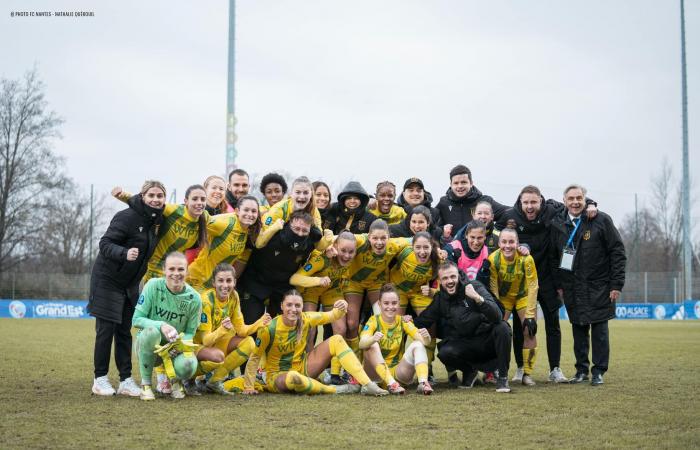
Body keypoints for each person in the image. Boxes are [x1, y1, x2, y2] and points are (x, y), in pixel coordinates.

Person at [495, 185, 598, 384]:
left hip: (548, 277)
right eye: (526, 202)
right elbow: (486, 220)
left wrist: (592, 203)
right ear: (520, 202)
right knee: (520, 326)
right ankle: (520, 368)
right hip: (522, 280)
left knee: (553, 324)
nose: (530, 206)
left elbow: (574, 202)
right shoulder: (510, 215)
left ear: (541, 201)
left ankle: (555, 369)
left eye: (534, 202)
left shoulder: (553, 209)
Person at [89, 180, 166, 397]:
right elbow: (104, 244)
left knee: (125, 331)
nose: (156, 199)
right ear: (142, 196)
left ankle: (125, 380)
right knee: (106, 330)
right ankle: (100, 379)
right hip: (108, 279)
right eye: (151, 195)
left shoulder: (158, 221)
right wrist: (124, 253)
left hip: (130, 284)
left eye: (160, 196)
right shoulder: (126, 217)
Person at [549, 184, 626, 386]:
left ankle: (598, 371)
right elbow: (553, 258)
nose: (575, 202)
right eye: (571, 199)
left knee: (600, 330)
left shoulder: (600, 219)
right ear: (564, 201)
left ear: (585, 200)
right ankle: (581, 370)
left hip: (599, 286)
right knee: (579, 330)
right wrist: (559, 284)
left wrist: (616, 284)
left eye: (579, 198)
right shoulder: (557, 223)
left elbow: (617, 252)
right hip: (572, 287)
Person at [243, 291, 388, 396]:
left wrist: (342, 305)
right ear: (281, 306)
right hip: (277, 377)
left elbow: (332, 315)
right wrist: (248, 386)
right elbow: (255, 357)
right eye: (289, 305)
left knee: (337, 339)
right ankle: (335, 390)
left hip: (304, 367)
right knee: (294, 377)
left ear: (302, 307)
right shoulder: (269, 328)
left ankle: (367, 384)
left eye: (297, 306)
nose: (293, 309)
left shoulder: (306, 318)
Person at [414, 261, 513, 393]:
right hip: (467, 344)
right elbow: (424, 320)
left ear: (459, 276)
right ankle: (470, 371)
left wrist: (477, 298)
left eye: (452, 277)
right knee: (444, 352)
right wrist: (405, 321)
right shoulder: (440, 299)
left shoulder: (475, 287)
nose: (449, 281)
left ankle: (502, 377)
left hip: (489, 342)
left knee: (503, 327)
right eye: (445, 278)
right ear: (440, 281)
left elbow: (497, 316)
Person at [132, 252, 202, 400]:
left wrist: (179, 346)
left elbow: (190, 332)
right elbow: (136, 320)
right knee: (151, 332)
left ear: (187, 271)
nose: (176, 274)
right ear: (164, 270)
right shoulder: (152, 286)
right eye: (171, 269)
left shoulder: (194, 298)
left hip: (174, 350)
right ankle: (146, 386)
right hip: (150, 347)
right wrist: (161, 325)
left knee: (189, 365)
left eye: (181, 269)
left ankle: (176, 382)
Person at [193, 263, 271, 395]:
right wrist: (223, 329)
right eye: (220, 281)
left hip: (218, 345)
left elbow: (241, 330)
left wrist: (258, 323)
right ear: (213, 282)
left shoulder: (234, 296)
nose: (225, 285)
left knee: (249, 343)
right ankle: (188, 378)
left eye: (229, 280)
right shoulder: (206, 301)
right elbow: (206, 340)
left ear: (235, 282)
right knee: (216, 357)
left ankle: (214, 382)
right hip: (198, 347)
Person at [343, 220, 412, 360]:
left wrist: (438, 250)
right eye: (375, 238)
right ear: (369, 237)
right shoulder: (360, 241)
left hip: (376, 283)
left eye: (383, 238)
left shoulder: (394, 245)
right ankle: (353, 362)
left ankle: (385, 361)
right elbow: (337, 239)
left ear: (389, 237)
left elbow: (418, 240)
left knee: (385, 321)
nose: (379, 242)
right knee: (351, 324)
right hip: (354, 282)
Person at [112, 184, 210, 283]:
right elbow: (145, 205)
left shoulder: (205, 218)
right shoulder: (175, 211)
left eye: (203, 199)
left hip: (176, 271)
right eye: (195, 199)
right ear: (186, 201)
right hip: (154, 268)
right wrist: (122, 194)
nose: (199, 202)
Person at [239, 210, 322, 322]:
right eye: (296, 229)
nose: (300, 234)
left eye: (304, 231)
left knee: (282, 324)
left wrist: (330, 249)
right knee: (252, 321)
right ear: (288, 225)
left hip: (282, 286)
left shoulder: (310, 243)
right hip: (256, 280)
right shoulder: (273, 234)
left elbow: (327, 245)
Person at [360, 284, 433, 395]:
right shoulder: (373, 320)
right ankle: (391, 384)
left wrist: (427, 337)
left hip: (399, 374)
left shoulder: (403, 321)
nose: (390, 307)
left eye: (394, 303)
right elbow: (361, 344)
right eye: (386, 303)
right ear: (379, 304)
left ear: (399, 304)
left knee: (418, 344)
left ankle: (423, 383)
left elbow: (424, 342)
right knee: (371, 345)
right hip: (375, 376)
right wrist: (372, 339)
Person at [488, 228, 539, 386]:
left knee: (529, 330)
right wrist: (497, 310)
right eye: (504, 242)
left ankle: (527, 374)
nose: (507, 245)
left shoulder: (526, 259)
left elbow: (533, 286)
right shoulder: (493, 259)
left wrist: (530, 315)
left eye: (511, 242)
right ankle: (497, 369)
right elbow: (494, 288)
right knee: (497, 331)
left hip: (523, 296)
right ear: (499, 243)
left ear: (517, 243)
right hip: (504, 299)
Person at [187, 196, 261, 291]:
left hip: (213, 285)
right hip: (196, 280)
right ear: (237, 211)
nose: (250, 214)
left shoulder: (248, 230)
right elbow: (200, 218)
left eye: (254, 211)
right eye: (246, 210)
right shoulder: (226, 223)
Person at [436, 165, 507, 234]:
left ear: (471, 183)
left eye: (463, 182)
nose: (460, 186)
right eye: (456, 183)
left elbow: (508, 213)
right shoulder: (444, 202)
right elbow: (429, 221)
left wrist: (494, 230)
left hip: (479, 244)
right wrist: (442, 230)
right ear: (451, 185)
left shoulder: (485, 201)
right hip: (453, 245)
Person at [259, 176, 323, 241]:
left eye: (306, 193)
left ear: (311, 194)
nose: (302, 196)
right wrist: (274, 228)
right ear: (291, 193)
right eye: (298, 192)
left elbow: (318, 242)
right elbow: (260, 242)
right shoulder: (278, 209)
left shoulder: (313, 211)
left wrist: (327, 240)